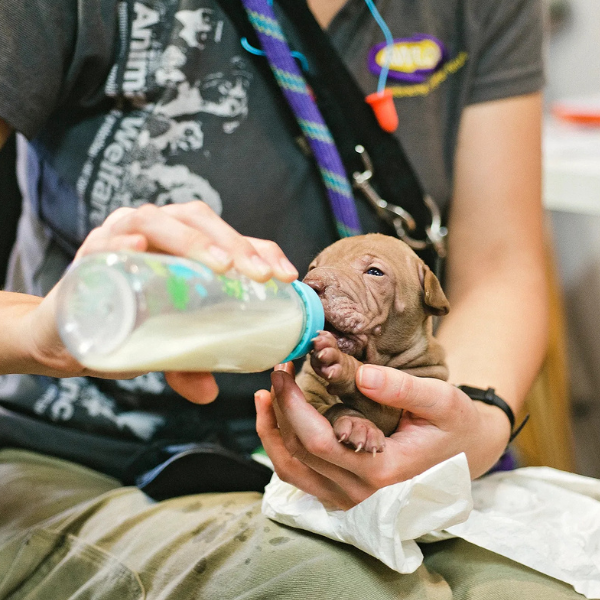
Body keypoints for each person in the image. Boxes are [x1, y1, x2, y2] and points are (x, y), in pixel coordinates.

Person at [0, 0, 584, 598]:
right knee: (340, 589)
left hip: (367, 455)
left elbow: (499, 265)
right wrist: (39, 333)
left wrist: (471, 420)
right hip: (86, 458)